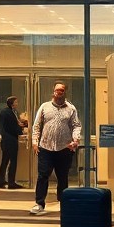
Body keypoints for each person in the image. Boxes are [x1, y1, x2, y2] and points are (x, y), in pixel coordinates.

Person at [29, 82, 80, 215]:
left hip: (64, 148)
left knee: (63, 177)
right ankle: (39, 203)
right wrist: (35, 142)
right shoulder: (44, 107)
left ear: (65, 92)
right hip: (45, 148)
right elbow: (36, 126)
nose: (59, 92)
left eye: (61, 90)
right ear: (53, 91)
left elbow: (76, 125)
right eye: (57, 90)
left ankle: (64, 204)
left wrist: (75, 140)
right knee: (43, 176)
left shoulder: (71, 109)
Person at [0, 95, 25, 189]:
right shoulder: (9, 113)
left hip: (5, 140)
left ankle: (1, 181)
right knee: (13, 162)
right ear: (12, 103)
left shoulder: (6, 112)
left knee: (4, 161)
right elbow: (13, 127)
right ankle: (11, 182)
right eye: (16, 102)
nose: (17, 103)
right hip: (11, 140)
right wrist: (20, 129)